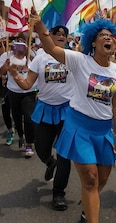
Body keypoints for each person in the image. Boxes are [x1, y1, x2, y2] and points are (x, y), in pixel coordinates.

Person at [31, 12, 116, 223]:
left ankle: (87, 208)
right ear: (93, 42)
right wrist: (39, 24)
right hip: (78, 126)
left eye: (112, 37)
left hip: (103, 130)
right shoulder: (79, 61)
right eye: (103, 36)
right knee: (91, 179)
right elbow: (51, 47)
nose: (108, 39)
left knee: (102, 179)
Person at [10, 25, 73, 211]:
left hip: (67, 111)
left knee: (64, 154)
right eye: (57, 34)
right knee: (41, 148)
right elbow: (28, 84)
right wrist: (14, 74)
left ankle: (59, 193)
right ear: (49, 36)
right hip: (45, 109)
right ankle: (49, 162)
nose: (61, 36)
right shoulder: (40, 58)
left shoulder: (73, 57)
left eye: (64, 34)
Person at [0, 40, 37, 156]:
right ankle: (21, 136)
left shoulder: (32, 55)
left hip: (29, 91)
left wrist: (29, 56)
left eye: (22, 43)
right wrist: (7, 66)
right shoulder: (6, 56)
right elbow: (1, 72)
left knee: (29, 117)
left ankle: (29, 144)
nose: (19, 47)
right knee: (16, 115)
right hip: (14, 91)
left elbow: (37, 70)